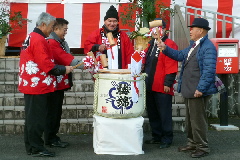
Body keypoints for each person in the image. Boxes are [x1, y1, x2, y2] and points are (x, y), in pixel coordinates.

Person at [157, 18, 218, 158]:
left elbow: (209, 71)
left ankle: (202, 147)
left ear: (200, 31)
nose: (190, 31)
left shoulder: (208, 47)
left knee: (198, 120)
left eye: (193, 28)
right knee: (190, 119)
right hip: (190, 88)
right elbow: (179, 55)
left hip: (197, 90)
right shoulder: (194, 45)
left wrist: (201, 88)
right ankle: (192, 143)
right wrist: (164, 48)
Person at [18, 12, 73, 157]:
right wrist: (64, 69)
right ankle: (36, 147)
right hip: (37, 85)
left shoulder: (32, 36)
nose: (52, 29)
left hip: (32, 83)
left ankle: (32, 146)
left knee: (32, 118)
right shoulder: (39, 39)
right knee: (36, 119)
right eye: (51, 26)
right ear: (43, 25)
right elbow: (47, 65)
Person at [45, 18, 84, 148]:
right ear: (56, 29)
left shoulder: (58, 42)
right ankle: (50, 137)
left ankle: (52, 136)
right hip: (54, 83)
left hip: (58, 82)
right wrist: (86, 63)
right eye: (65, 29)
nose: (65, 32)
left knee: (55, 111)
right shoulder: (52, 42)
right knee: (53, 111)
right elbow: (65, 58)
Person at [142, 18, 178, 149]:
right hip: (150, 84)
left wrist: (168, 83)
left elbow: (171, 65)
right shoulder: (151, 44)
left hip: (162, 85)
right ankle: (156, 136)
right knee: (153, 113)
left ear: (164, 30)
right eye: (153, 29)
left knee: (164, 113)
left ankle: (167, 138)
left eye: (158, 28)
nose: (155, 31)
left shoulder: (169, 44)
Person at [84, 5, 134, 69]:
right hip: (102, 71)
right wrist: (97, 47)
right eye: (109, 21)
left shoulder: (123, 36)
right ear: (105, 21)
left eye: (115, 21)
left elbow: (129, 54)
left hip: (120, 72)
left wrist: (128, 69)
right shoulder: (97, 34)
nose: (112, 24)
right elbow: (87, 45)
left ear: (117, 22)